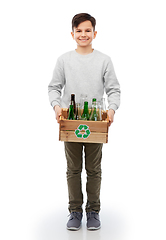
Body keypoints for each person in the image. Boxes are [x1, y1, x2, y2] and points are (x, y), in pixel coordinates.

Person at [48, 13, 120, 230]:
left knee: (94, 169)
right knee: (73, 169)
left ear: (95, 33)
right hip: (70, 122)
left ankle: (93, 210)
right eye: (79, 31)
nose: (83, 34)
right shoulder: (64, 60)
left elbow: (114, 89)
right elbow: (54, 87)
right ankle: (75, 211)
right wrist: (56, 106)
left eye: (88, 30)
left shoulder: (104, 60)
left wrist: (112, 110)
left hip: (95, 122)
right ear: (72, 34)